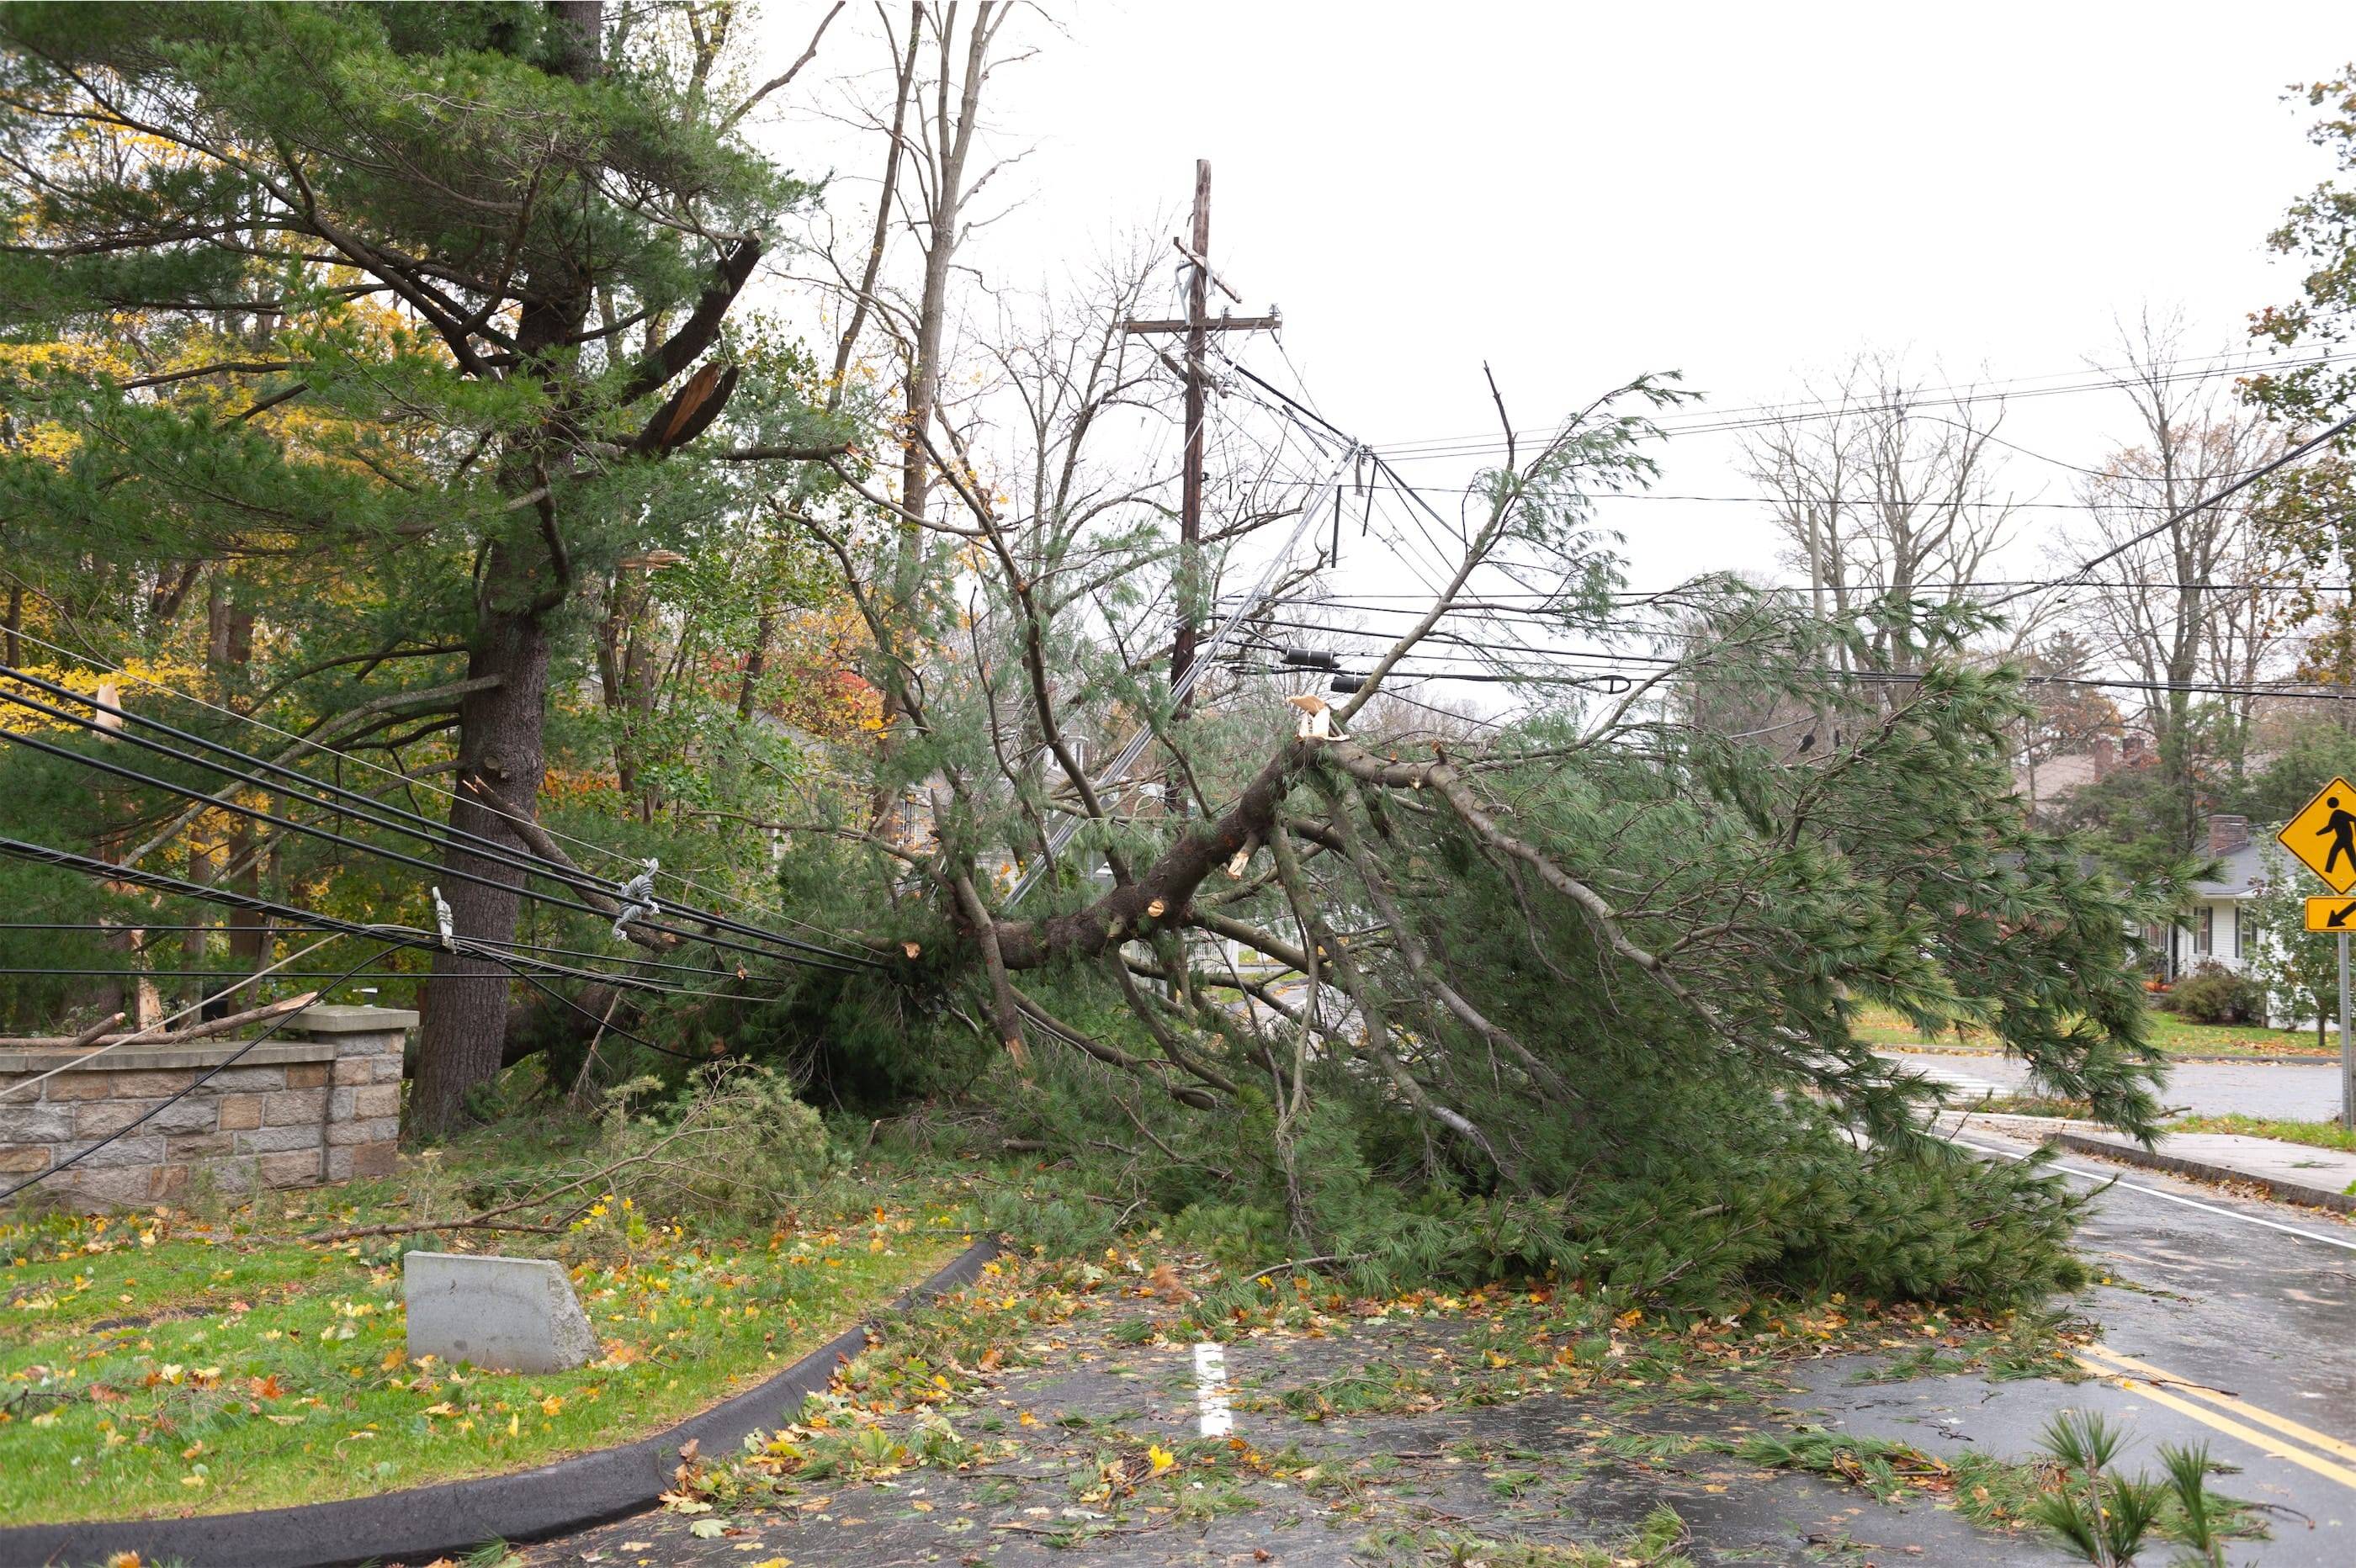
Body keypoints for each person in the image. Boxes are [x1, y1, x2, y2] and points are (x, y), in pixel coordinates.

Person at [2322, 797, 2356, 878]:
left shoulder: (2337, 813)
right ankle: (2328, 871)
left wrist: (2317, 834)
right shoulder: (2338, 813)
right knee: (2351, 856)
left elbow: (2329, 828)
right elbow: (2330, 828)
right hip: (2346, 838)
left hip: (2343, 839)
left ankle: (2328, 871)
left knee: (2333, 852)